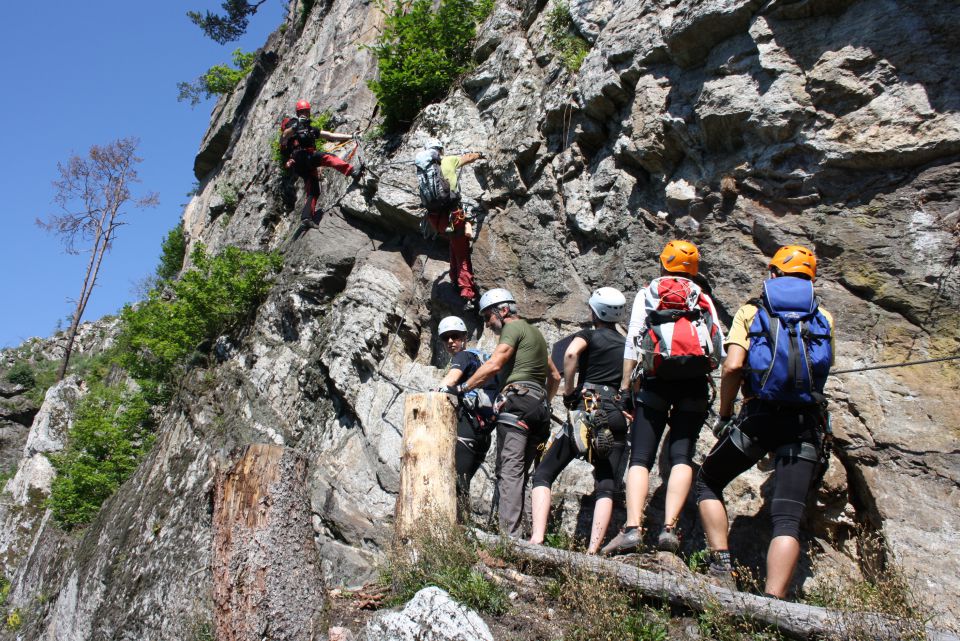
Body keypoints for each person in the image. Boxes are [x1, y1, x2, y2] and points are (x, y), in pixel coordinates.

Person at [695, 245, 833, 598]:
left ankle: (721, 566)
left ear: (772, 274)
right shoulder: (823, 317)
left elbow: (733, 366)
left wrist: (725, 413)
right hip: (804, 423)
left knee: (708, 481)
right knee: (786, 519)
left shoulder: (751, 312)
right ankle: (774, 603)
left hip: (758, 418)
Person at [602, 240, 724, 556]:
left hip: (655, 382)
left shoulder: (649, 294)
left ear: (663, 264)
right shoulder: (703, 298)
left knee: (641, 457)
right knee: (681, 456)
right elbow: (719, 349)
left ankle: (632, 529)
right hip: (695, 385)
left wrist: (626, 386)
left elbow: (633, 341)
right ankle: (669, 528)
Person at [529, 288, 629, 554]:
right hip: (616, 411)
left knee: (544, 473)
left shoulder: (589, 335)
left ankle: (537, 538)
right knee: (606, 485)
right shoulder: (627, 343)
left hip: (588, 408)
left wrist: (570, 391)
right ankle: (592, 550)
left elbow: (571, 354)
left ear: (594, 311)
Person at [459, 288, 561, 538]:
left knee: (509, 472)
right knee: (523, 475)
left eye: (488, 317)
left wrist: (463, 387)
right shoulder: (535, 334)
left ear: (502, 310)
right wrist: (542, 401)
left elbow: (494, 364)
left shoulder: (512, 329)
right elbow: (555, 376)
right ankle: (528, 537)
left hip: (518, 404)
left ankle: (511, 541)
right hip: (539, 411)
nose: (487, 323)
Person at [435, 316, 501, 516]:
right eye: (445, 338)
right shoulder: (484, 358)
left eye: (454, 337)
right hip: (484, 434)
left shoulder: (463, 357)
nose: (450, 342)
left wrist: (435, 393)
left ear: (464, 337)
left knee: (455, 484)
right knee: (462, 484)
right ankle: (461, 531)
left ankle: (454, 533)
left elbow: (448, 384)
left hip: (467, 427)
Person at [415, 139, 483, 310]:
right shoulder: (449, 160)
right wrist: (479, 154)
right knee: (463, 254)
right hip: (453, 217)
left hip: (436, 219)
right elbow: (468, 158)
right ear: (440, 150)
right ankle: (468, 293)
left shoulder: (424, 169)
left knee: (454, 244)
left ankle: (454, 279)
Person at [280, 99, 363, 227]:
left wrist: (351, 136)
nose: (304, 114)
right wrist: (296, 126)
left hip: (302, 164)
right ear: (298, 113)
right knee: (328, 157)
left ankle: (306, 218)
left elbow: (331, 135)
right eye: (302, 112)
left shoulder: (311, 129)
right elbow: (284, 136)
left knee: (314, 191)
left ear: (309, 112)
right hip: (302, 156)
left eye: (306, 112)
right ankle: (352, 171)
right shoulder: (293, 124)